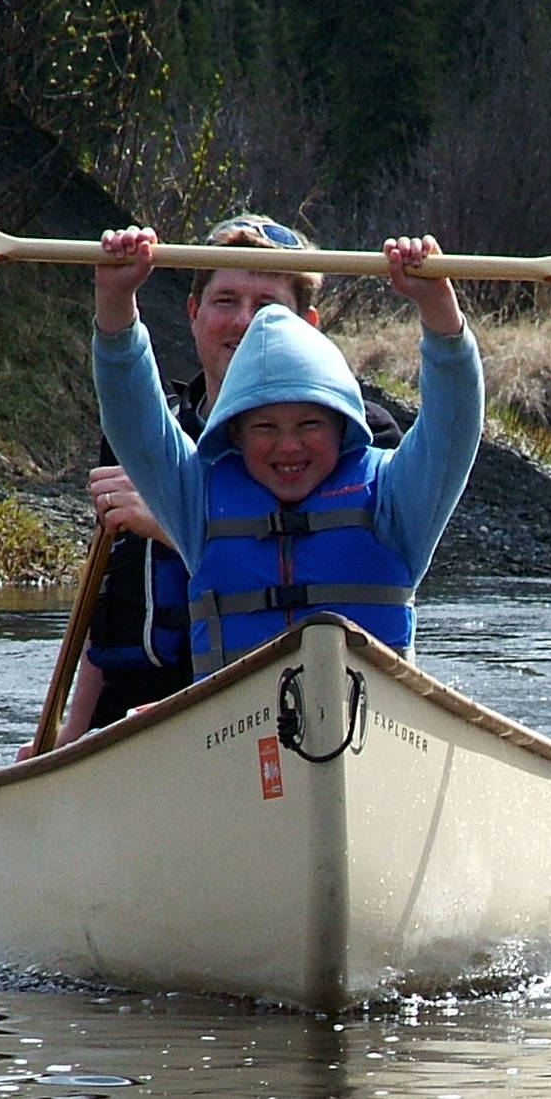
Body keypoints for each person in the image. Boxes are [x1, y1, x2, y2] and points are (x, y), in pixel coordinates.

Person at [61, 215, 401, 743]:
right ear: (194, 314)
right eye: (226, 301)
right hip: (136, 720)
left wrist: (174, 523)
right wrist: (71, 732)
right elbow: (111, 603)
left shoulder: (354, 440)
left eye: (267, 307)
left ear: (306, 326)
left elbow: (340, 555)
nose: (245, 323)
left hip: (272, 708)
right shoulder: (149, 434)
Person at [91, 226, 482, 678]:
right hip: (234, 731)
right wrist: (116, 301)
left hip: (371, 717)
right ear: (235, 435)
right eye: (265, 428)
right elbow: (131, 413)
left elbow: (453, 420)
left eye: (310, 424)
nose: (289, 445)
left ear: (344, 427)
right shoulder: (195, 498)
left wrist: (437, 308)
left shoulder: (395, 498)